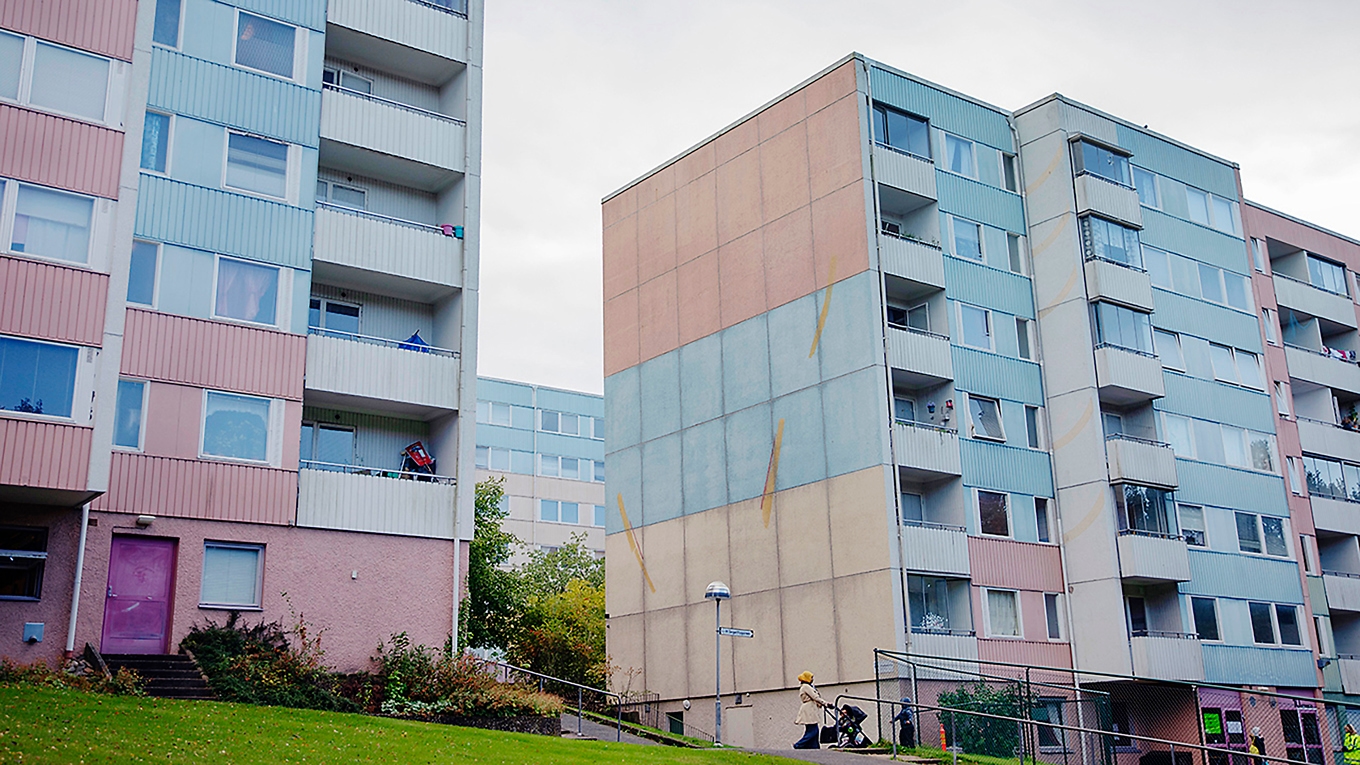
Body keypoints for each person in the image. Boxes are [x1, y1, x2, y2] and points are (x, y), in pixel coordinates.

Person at [793, 671, 828, 749]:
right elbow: (815, 697)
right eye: (811, 677)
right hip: (809, 710)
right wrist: (825, 703)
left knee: (813, 730)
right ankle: (799, 745)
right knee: (813, 731)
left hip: (810, 709)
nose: (812, 679)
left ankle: (814, 747)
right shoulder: (806, 687)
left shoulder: (808, 686)